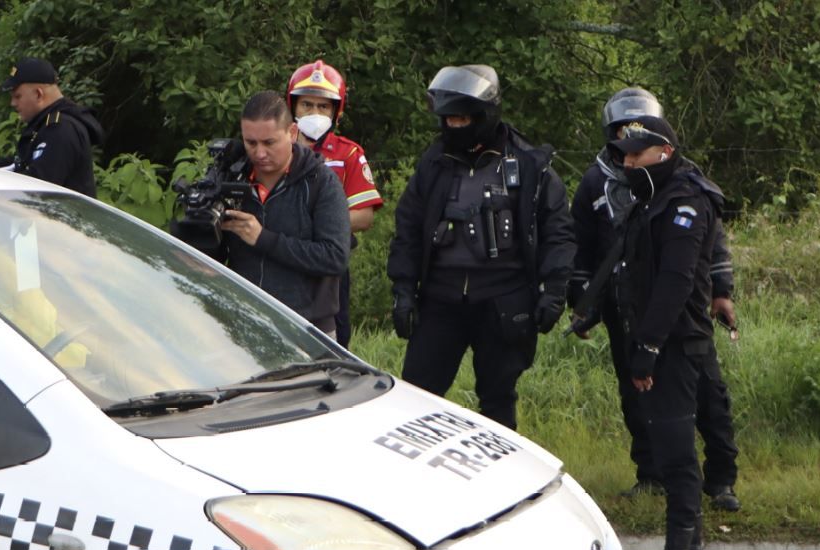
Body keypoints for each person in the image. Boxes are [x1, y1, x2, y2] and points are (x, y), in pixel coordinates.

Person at [570, 87, 742, 514]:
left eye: (638, 140)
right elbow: (582, 245)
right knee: (637, 395)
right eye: (621, 138)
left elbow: (710, 245)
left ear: (661, 147)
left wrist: (722, 291)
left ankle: (721, 479)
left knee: (708, 396)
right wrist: (582, 301)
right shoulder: (595, 181)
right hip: (623, 307)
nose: (629, 152)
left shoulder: (686, 184)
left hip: (683, 310)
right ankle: (651, 474)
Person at [387, 64, 574, 430]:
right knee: (416, 395)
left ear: (484, 114)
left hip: (504, 300)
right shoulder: (433, 164)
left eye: (462, 119)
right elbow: (408, 228)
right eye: (448, 120)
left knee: (498, 397)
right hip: (440, 300)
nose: (453, 126)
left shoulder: (529, 165)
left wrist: (554, 290)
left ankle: (506, 480)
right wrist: (403, 290)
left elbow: (558, 232)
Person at [583, 114, 715, 550]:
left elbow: (675, 284)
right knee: (668, 442)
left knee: (676, 449)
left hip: (677, 343)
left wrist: (649, 348)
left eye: (637, 154)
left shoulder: (685, 202)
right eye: (623, 155)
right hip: (659, 339)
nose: (628, 162)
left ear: (662, 153)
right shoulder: (652, 199)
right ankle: (690, 548)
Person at [176, 91, 350, 335]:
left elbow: (334, 257)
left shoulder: (321, 182)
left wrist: (263, 239)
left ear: (292, 133)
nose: (259, 153)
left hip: (307, 330)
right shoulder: (229, 177)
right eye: (251, 143)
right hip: (243, 323)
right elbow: (212, 255)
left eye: (269, 143)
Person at [287, 60, 383, 348]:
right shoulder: (276, 150)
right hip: (281, 259)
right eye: (307, 105)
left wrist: (314, 225)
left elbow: (364, 216)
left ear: (335, 111)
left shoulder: (349, 153)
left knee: (333, 346)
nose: (314, 113)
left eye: (323, 106)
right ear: (293, 107)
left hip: (329, 266)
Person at [0, 58, 104, 198]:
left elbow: (38, 188)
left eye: (17, 96)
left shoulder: (61, 130)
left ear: (39, 94)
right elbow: (21, 162)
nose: (12, 103)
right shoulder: (46, 125)